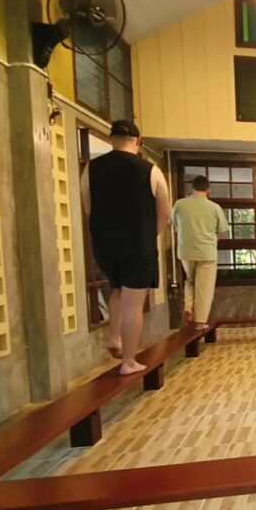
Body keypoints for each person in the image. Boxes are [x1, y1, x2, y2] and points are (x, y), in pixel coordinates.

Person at [81, 120, 171, 375]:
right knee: (134, 302)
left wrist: (106, 231)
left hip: (104, 243)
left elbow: (88, 207)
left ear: (111, 139)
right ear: (138, 142)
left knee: (118, 289)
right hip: (137, 244)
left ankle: (115, 337)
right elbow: (164, 212)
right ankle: (128, 361)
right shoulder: (150, 170)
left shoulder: (91, 168)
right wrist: (146, 235)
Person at [171, 175, 229, 330]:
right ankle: (200, 322)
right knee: (204, 287)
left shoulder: (180, 204)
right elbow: (222, 231)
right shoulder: (214, 207)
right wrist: (213, 240)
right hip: (207, 252)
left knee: (190, 280)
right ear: (208, 189)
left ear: (193, 187)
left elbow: (174, 224)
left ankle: (188, 307)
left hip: (185, 250)